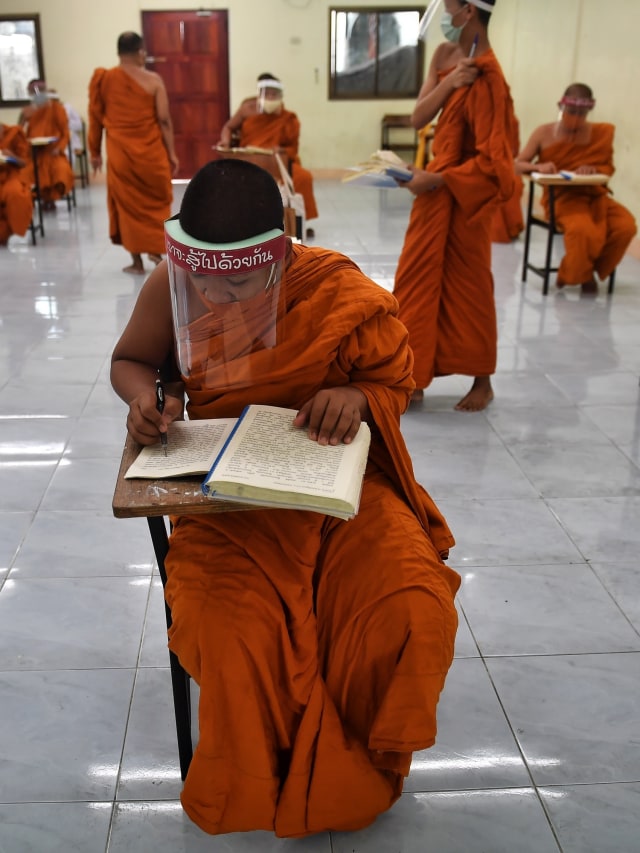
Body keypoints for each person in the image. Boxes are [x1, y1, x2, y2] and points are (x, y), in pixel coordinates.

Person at [111, 158, 459, 837]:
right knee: (231, 631)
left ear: (279, 254)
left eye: (240, 281)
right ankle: (262, 769)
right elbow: (132, 361)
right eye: (204, 284)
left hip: (337, 491)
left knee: (410, 604)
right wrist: (150, 398)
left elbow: (394, 377)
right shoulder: (171, 281)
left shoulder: (331, 285)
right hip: (225, 506)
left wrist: (354, 397)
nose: (219, 302)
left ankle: (362, 753)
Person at [393, 0, 516, 412]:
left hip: (465, 195)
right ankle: (415, 375)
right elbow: (417, 118)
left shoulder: (490, 76)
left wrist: (440, 180)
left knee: (470, 286)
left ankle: (483, 380)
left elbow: (495, 163)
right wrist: (450, 83)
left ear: (468, 10)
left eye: (448, 5)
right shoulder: (446, 55)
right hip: (433, 191)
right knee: (415, 282)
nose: (442, 13)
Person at [516, 82, 637, 294]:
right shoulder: (544, 133)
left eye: (582, 113)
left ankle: (584, 269)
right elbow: (515, 164)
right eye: (571, 112)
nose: (576, 118)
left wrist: (592, 169)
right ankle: (580, 275)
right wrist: (538, 166)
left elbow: (607, 168)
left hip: (595, 195)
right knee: (583, 231)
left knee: (626, 226)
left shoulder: (600, 133)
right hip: (562, 198)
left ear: (590, 110)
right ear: (560, 107)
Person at [88, 31, 179, 274]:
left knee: (127, 206)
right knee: (156, 202)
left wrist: (94, 151)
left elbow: (95, 118)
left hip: (120, 155)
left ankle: (137, 262)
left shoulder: (104, 79)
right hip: (151, 154)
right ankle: (157, 251)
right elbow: (164, 120)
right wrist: (171, 153)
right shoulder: (153, 81)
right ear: (140, 52)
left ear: (119, 53)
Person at [217, 73, 318, 235]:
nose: (271, 97)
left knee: (303, 177)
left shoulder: (287, 117)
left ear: (280, 96)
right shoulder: (247, 109)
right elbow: (228, 127)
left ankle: (299, 221)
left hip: (277, 161)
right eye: (267, 93)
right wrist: (226, 142)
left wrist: (282, 150)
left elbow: (293, 147)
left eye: (275, 94)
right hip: (249, 159)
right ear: (260, 94)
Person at [19, 79, 75, 211]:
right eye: (33, 93)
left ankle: (51, 199)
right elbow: (19, 132)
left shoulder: (57, 108)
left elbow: (65, 133)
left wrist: (59, 148)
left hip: (53, 151)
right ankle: (35, 199)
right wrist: (23, 117)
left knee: (60, 170)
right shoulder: (28, 110)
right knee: (26, 172)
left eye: (39, 92)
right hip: (34, 152)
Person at [0, 122, 33, 244]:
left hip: (13, 174)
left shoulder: (14, 134)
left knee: (15, 193)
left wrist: (12, 156)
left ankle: (11, 229)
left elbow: (24, 163)